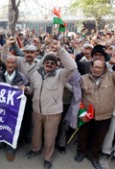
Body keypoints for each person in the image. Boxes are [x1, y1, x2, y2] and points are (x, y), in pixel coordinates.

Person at [75, 39, 115, 169]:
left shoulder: (112, 77)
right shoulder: (83, 79)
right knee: (83, 135)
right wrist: (80, 112)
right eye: (95, 67)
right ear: (91, 67)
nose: (97, 69)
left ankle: (94, 157)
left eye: (100, 68)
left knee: (98, 139)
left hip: (104, 117)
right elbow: (75, 95)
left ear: (104, 69)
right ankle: (81, 152)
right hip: (86, 115)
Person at [24, 39, 77, 169]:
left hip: (53, 113)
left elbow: (72, 67)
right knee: (36, 134)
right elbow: (32, 90)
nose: (49, 64)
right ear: (43, 63)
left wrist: (60, 49)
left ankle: (47, 158)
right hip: (37, 111)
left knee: (50, 137)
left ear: (56, 65)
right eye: (47, 62)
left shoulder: (61, 75)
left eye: (52, 63)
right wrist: (25, 89)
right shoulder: (36, 74)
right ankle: (35, 150)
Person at [0, 55, 28, 161]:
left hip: (14, 110)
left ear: (16, 64)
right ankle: (0, 143)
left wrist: (26, 89)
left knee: (13, 129)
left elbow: (30, 90)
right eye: (8, 62)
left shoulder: (22, 77)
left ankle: (11, 149)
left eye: (12, 63)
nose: (10, 65)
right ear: (5, 63)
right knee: (0, 126)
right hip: (0, 108)